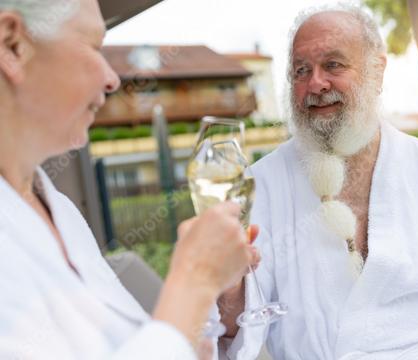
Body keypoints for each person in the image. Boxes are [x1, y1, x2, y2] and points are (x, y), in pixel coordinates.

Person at [218, 4, 418, 359]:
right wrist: (229, 287)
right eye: (301, 70)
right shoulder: (262, 185)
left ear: (377, 71)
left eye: (333, 65)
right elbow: (232, 329)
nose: (316, 83)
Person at [0, 0, 257, 358]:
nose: (112, 78)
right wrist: (194, 279)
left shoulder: (58, 208)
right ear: (12, 45)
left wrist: (215, 288)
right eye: (93, 46)